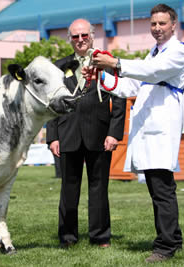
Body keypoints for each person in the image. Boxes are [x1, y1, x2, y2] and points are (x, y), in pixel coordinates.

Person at [88, 3, 184, 263]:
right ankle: (172, 239)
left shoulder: (178, 51)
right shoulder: (153, 53)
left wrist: (115, 61)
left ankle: (165, 246)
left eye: (162, 23)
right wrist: (102, 75)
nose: (157, 28)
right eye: (154, 24)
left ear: (173, 25)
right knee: (158, 187)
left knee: (162, 189)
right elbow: (131, 84)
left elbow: (151, 72)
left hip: (161, 128)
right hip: (149, 129)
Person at [46, 19, 126, 249]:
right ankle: (67, 237)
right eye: (75, 36)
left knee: (99, 189)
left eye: (84, 35)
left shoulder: (107, 63)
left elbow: (119, 100)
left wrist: (114, 133)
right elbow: (52, 104)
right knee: (68, 190)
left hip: (100, 136)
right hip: (67, 135)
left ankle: (101, 237)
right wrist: (53, 136)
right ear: (70, 39)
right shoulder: (59, 67)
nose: (80, 40)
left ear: (92, 36)